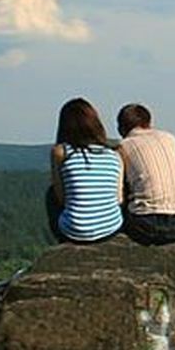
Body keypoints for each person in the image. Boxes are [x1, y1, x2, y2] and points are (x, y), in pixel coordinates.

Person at [116, 102, 175, 245]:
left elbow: (118, 195)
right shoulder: (170, 138)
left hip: (145, 222)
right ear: (149, 122)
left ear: (121, 128)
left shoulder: (124, 146)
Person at [46, 98, 124, 243]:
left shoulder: (60, 152)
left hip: (72, 231)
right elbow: (119, 198)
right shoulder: (115, 155)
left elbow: (60, 198)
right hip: (111, 229)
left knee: (50, 194)